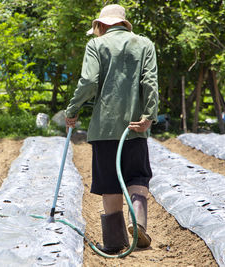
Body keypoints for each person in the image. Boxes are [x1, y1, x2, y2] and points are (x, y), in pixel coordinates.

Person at [65, 4, 158, 254]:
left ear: (102, 25)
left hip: (104, 128)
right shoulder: (144, 44)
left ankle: (115, 242)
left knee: (110, 182)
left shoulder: (95, 46)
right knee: (138, 176)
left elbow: (88, 81)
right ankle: (137, 223)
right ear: (123, 23)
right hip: (135, 126)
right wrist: (149, 116)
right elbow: (149, 81)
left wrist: (72, 109)